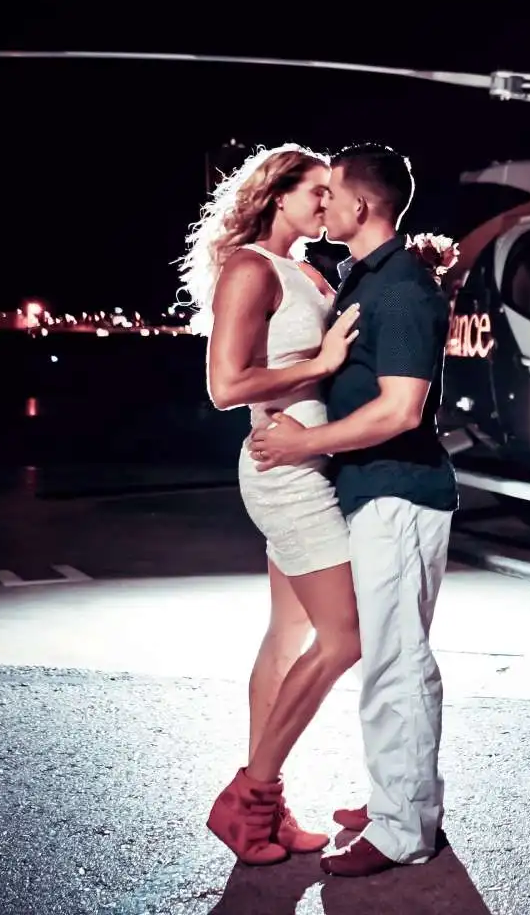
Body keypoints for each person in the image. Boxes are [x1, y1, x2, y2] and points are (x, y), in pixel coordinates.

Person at [250, 142, 459, 880]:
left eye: (331, 192)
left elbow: (400, 410)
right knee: (387, 655)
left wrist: (308, 444)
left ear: (361, 207)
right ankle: (398, 802)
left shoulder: (400, 289)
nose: (323, 205)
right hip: (371, 493)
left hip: (398, 492)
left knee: (396, 663)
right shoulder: (371, 279)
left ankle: (403, 830)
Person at [176, 144, 365, 867]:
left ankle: (268, 804)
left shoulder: (309, 271)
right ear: (279, 196)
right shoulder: (251, 268)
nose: (327, 203)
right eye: (317, 191)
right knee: (345, 640)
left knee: (286, 639)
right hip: (286, 474)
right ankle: (247, 798)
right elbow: (224, 385)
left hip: (314, 463)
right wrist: (317, 366)